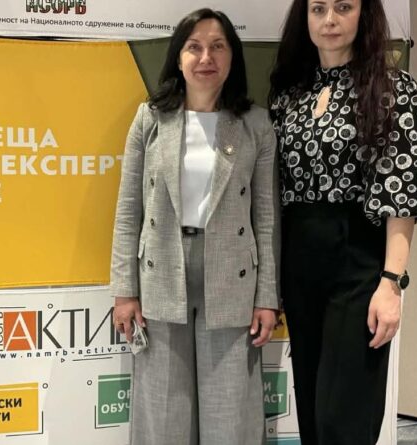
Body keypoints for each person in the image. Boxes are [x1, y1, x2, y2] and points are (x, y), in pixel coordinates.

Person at [269, 1, 417, 444]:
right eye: (318, 9)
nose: (329, 19)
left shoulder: (393, 89)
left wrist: (391, 283)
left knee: (343, 419)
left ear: (364, 15)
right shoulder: (290, 94)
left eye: (343, 7)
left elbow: (403, 194)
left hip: (358, 261)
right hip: (299, 260)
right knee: (312, 413)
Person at [110, 8, 280, 445]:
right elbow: (128, 209)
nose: (207, 57)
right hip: (161, 269)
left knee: (231, 410)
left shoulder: (255, 125)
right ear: (179, 57)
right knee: (162, 408)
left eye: (218, 46)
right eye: (195, 47)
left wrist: (267, 298)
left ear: (232, 57)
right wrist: (124, 291)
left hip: (232, 275)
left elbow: (265, 218)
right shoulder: (150, 119)